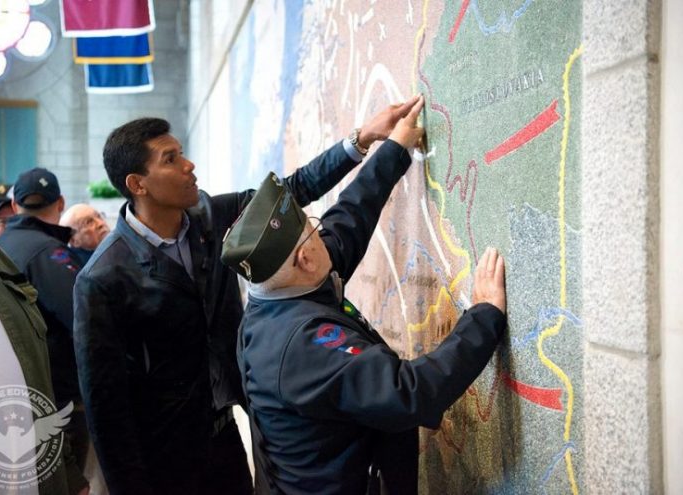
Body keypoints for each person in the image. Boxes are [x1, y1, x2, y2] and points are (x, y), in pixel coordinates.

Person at [73, 99, 418, 495]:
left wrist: (360, 140)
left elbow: (291, 192)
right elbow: (105, 404)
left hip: (227, 433)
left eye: (182, 154)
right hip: (166, 454)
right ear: (138, 183)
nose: (189, 166)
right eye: (171, 159)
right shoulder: (102, 278)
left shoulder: (212, 218)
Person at [221, 96, 508, 493]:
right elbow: (410, 393)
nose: (323, 233)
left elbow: (348, 222)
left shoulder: (275, 294)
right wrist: (485, 315)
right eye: (313, 228)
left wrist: (392, 149)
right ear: (305, 258)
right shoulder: (303, 348)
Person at [0, 136, 88, 494]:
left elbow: (33, 370)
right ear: (61, 204)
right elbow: (84, 329)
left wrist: (66, 467)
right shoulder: (48, 251)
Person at [0, 168, 90, 474]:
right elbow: (82, 320)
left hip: (16, 392)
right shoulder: (48, 252)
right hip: (57, 398)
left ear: (13, 206)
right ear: (61, 203)